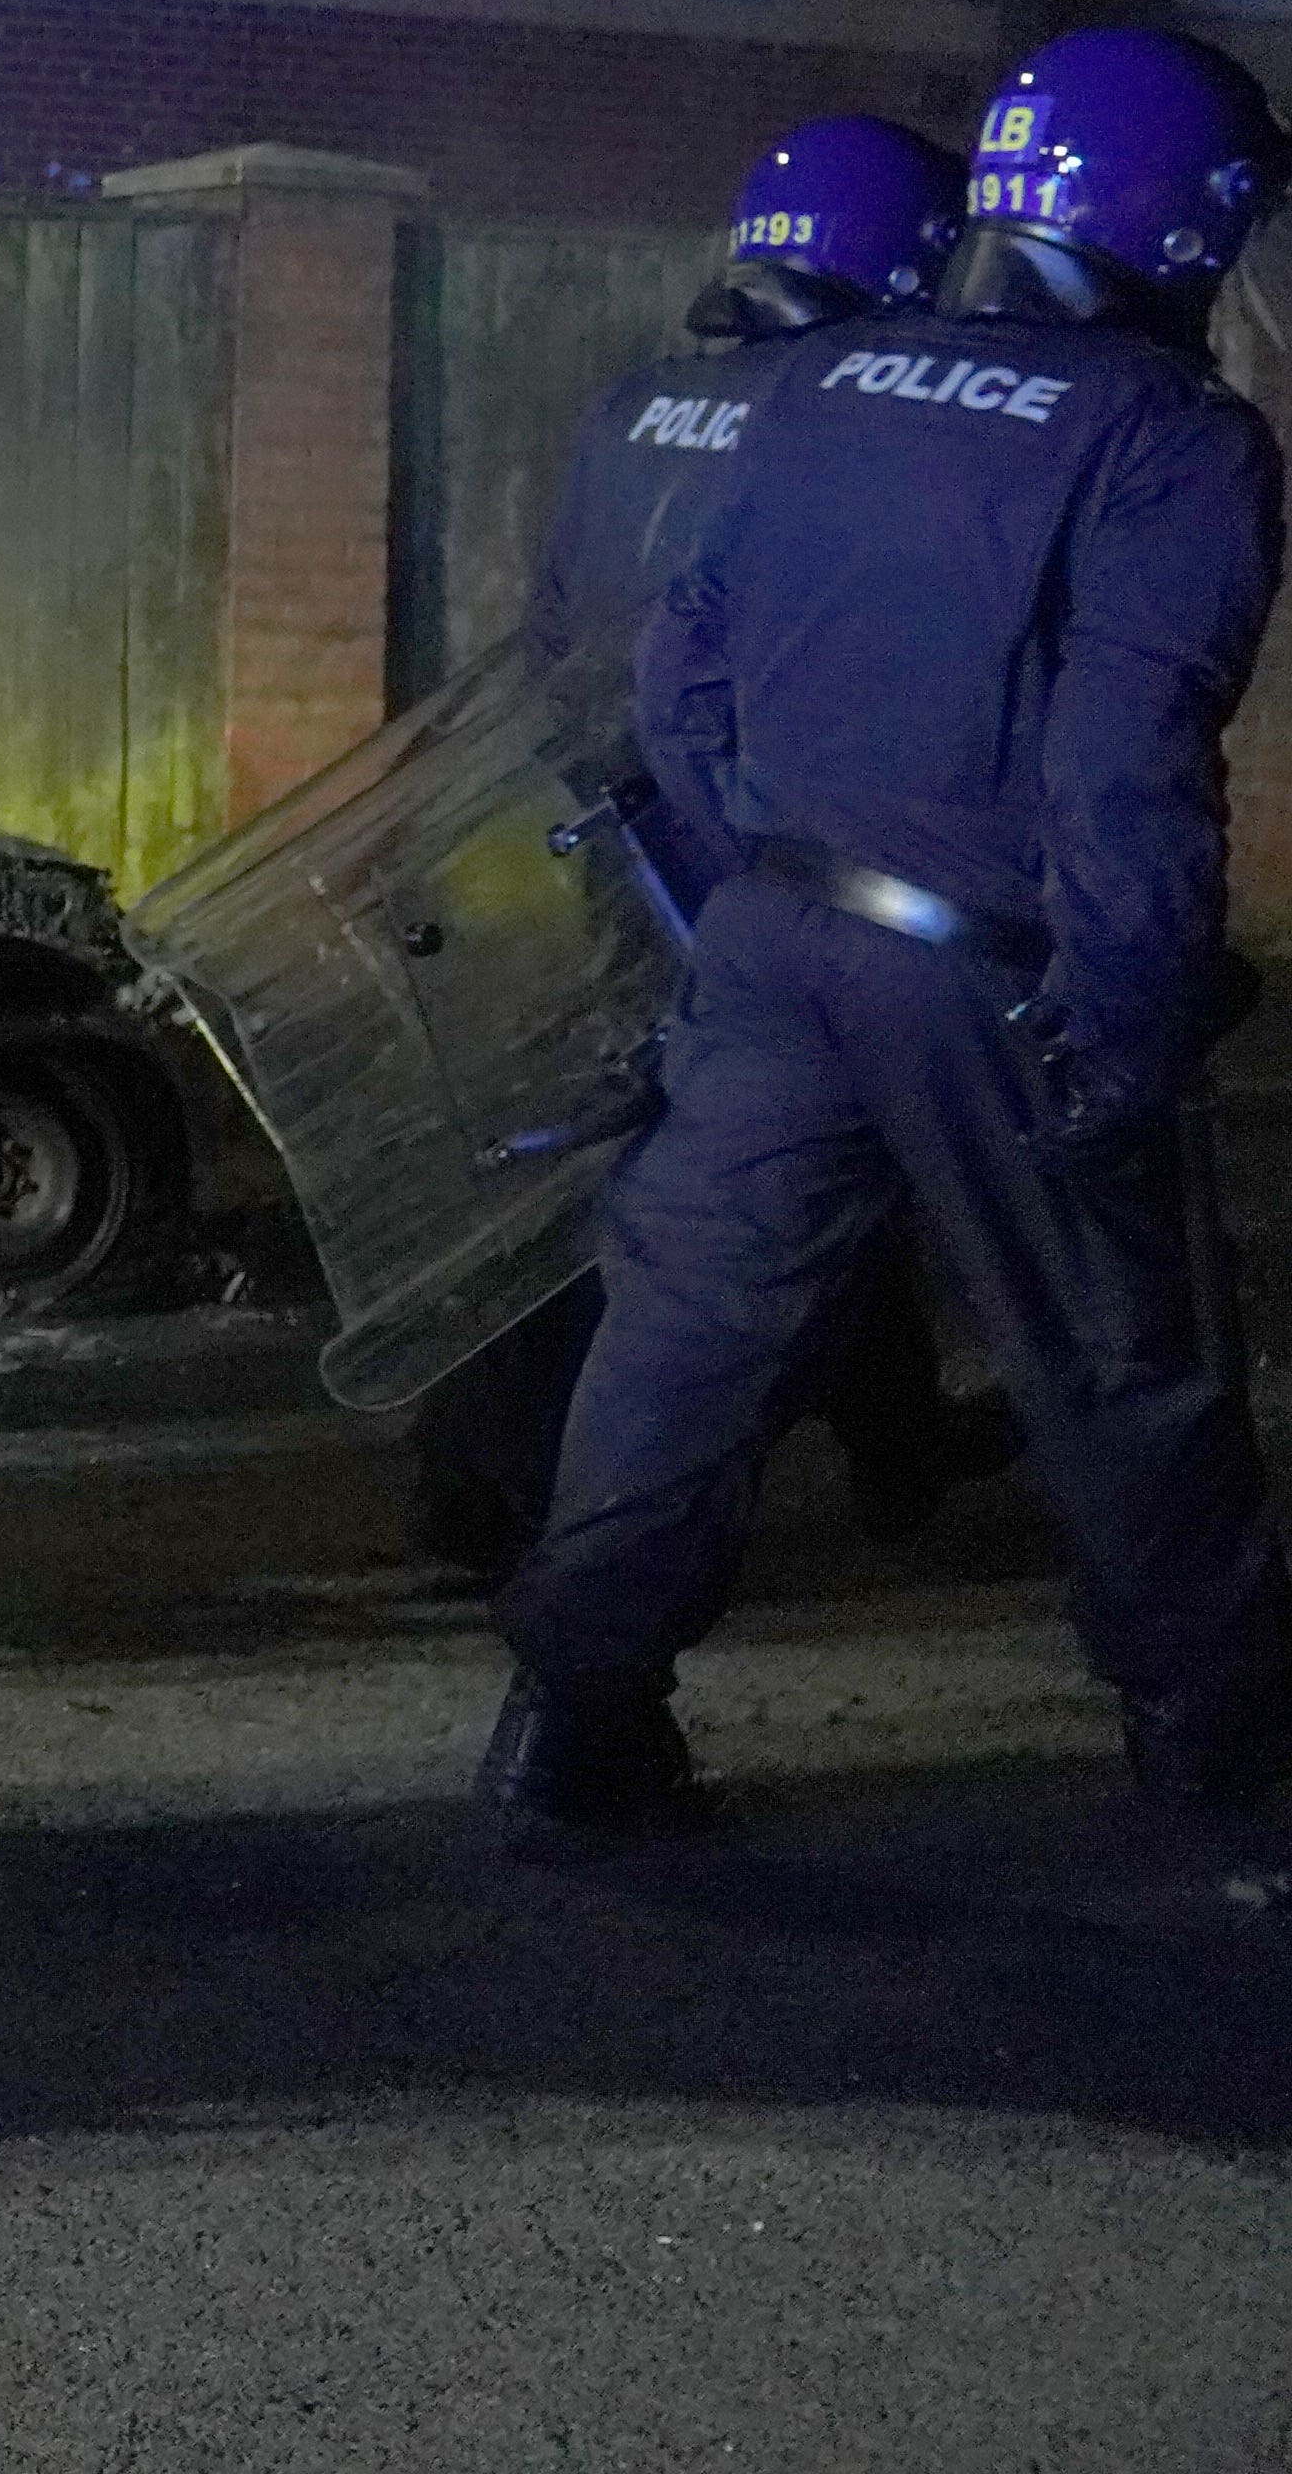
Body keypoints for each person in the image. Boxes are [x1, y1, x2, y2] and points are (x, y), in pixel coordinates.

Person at [494, 23, 1292, 1902]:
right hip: (990, 972)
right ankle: (1232, 1767)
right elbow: (1126, 770)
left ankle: (571, 1724)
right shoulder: (1171, 442)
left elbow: (672, 681)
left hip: (773, 945)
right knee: (1121, 1360)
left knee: (684, 1346)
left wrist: (749, 883)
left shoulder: (823, 378)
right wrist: (1139, 1010)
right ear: (1183, 220)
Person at [407, 116, 1011, 1578]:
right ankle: (534, 1508)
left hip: (621, 856)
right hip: (778, 866)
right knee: (759, 1180)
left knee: (749, 1165)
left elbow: (556, 647)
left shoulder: (638, 410)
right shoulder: (856, 421)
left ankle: (889, 1440)